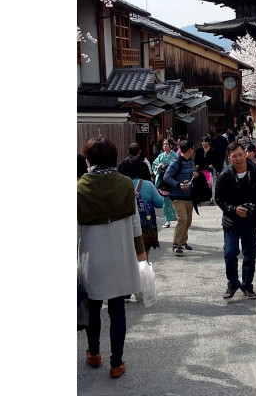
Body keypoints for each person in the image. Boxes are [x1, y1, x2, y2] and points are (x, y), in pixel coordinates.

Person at [78, 136, 147, 379]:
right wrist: (141, 255)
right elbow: (135, 224)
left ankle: (94, 354)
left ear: (89, 160)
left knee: (93, 307)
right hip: (120, 255)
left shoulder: (79, 189)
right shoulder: (126, 184)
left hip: (91, 258)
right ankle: (116, 363)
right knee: (117, 310)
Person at [215, 142, 256, 299]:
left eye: (240, 154)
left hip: (252, 220)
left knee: (250, 255)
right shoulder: (224, 176)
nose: (238, 158)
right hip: (231, 221)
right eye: (234, 156)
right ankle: (232, 284)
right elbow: (219, 199)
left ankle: (247, 286)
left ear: (245, 153)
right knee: (230, 253)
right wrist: (233, 209)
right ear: (229, 159)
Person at [118, 155, 164, 252]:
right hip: (145, 226)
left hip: (124, 227)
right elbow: (160, 203)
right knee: (143, 256)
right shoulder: (148, 185)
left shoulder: (118, 185)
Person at [162, 139, 199, 256]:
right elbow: (167, 177)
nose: (193, 150)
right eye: (193, 148)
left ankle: (183, 242)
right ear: (189, 150)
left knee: (188, 221)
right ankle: (176, 244)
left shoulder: (189, 161)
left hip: (188, 196)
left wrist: (195, 175)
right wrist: (178, 185)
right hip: (177, 196)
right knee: (182, 219)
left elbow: (190, 174)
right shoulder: (176, 162)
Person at [151, 139, 178, 229]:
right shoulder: (161, 156)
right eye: (163, 144)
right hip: (163, 181)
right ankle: (167, 220)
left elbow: (177, 166)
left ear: (171, 145)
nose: (164, 146)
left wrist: (167, 166)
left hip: (172, 180)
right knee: (165, 201)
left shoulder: (175, 155)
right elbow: (154, 164)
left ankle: (178, 217)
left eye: (166, 144)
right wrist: (158, 166)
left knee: (174, 200)